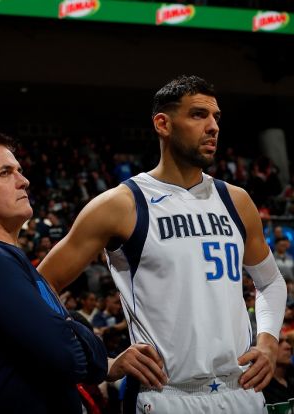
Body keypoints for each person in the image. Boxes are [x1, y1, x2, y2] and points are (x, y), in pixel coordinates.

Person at [38, 75, 287, 413]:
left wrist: (269, 341)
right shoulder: (121, 204)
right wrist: (105, 362)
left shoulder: (236, 200)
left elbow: (270, 281)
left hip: (241, 389)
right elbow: (39, 286)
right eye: (199, 115)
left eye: (216, 117)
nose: (213, 126)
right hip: (164, 394)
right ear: (163, 124)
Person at [0, 132, 108, 413]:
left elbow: (65, 343)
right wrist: (81, 335)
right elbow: (70, 359)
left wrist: (68, 325)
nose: (24, 180)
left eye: (20, 170)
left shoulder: (1, 257)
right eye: (5, 172)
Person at [262, 335, 294, 405]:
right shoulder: (260, 387)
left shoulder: (291, 379)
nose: (289, 346)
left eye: (288, 342)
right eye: (279, 342)